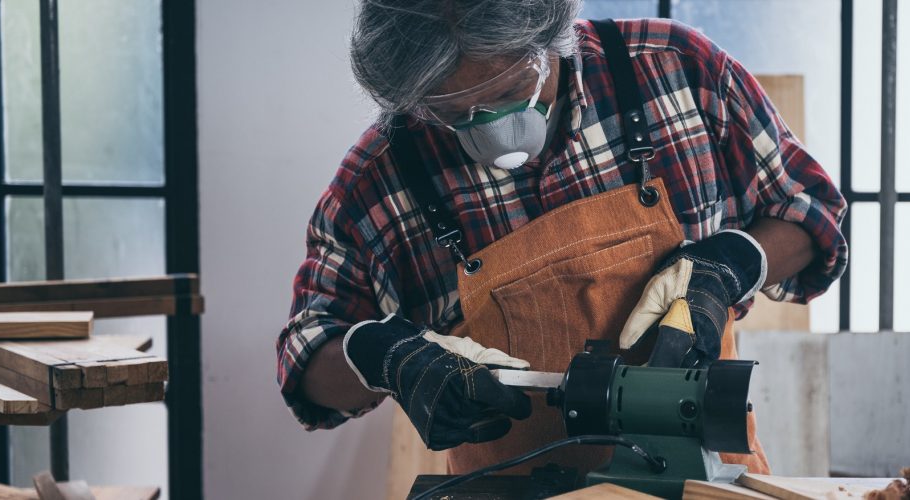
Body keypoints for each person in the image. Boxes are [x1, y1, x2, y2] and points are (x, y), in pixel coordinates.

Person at [276, 0, 847, 477]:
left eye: (510, 90)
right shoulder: (380, 177)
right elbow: (307, 357)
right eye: (454, 113)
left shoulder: (676, 71)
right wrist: (384, 356)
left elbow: (809, 212)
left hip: (703, 482)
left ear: (550, 35)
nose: (492, 127)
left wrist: (731, 264)